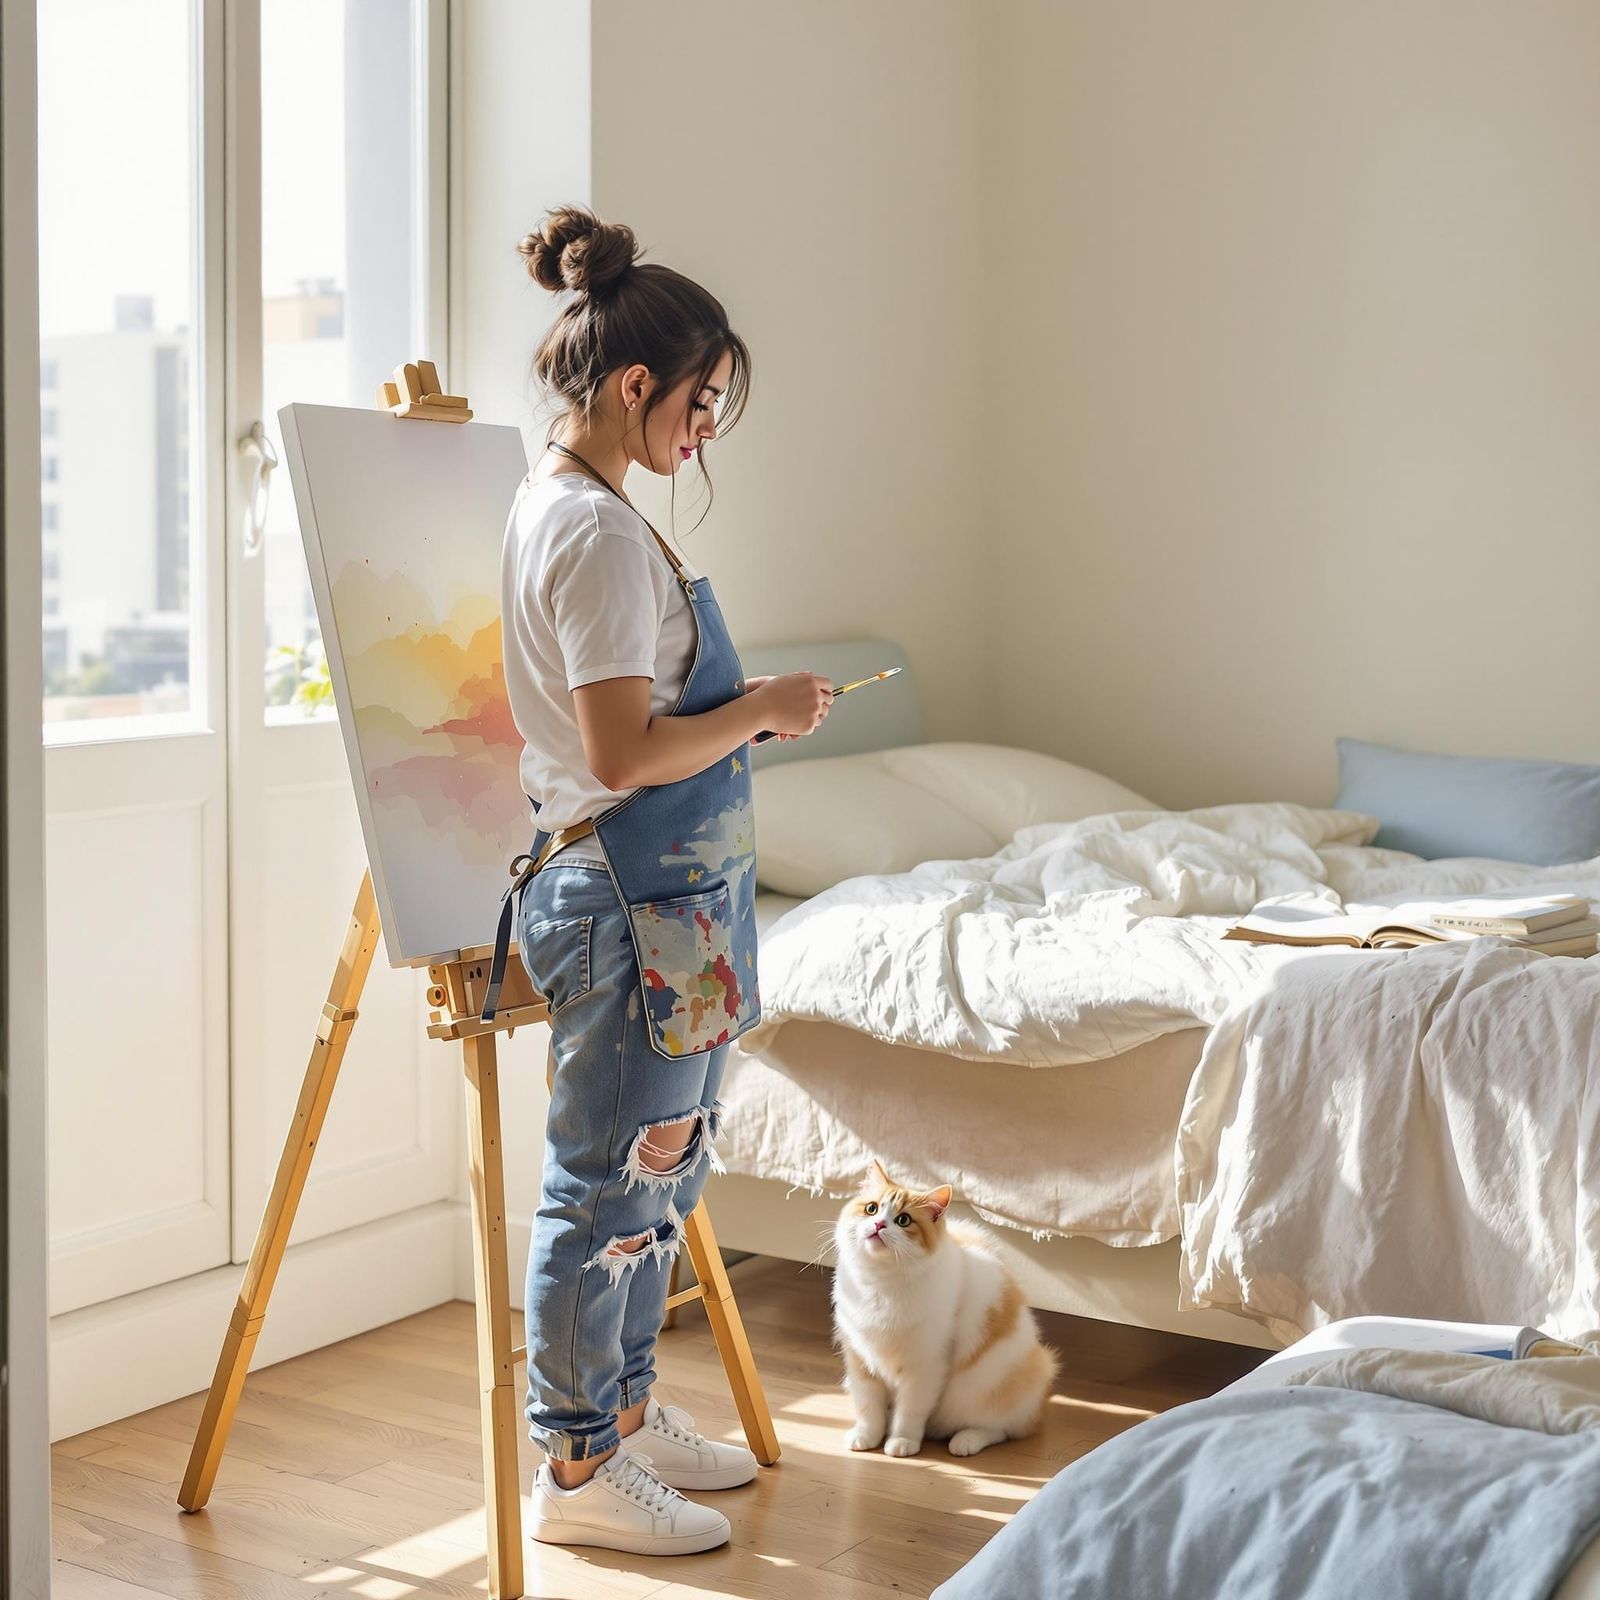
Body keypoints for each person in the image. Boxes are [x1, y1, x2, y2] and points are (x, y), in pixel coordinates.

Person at [493, 205, 833, 1557]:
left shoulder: (602, 517)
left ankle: (624, 1416)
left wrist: (749, 704)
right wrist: (757, 711)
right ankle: (575, 1473)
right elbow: (621, 750)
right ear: (634, 383)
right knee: (602, 1187)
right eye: (699, 405)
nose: (701, 435)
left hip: (674, 911)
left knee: (663, 1175)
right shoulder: (582, 531)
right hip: (624, 905)